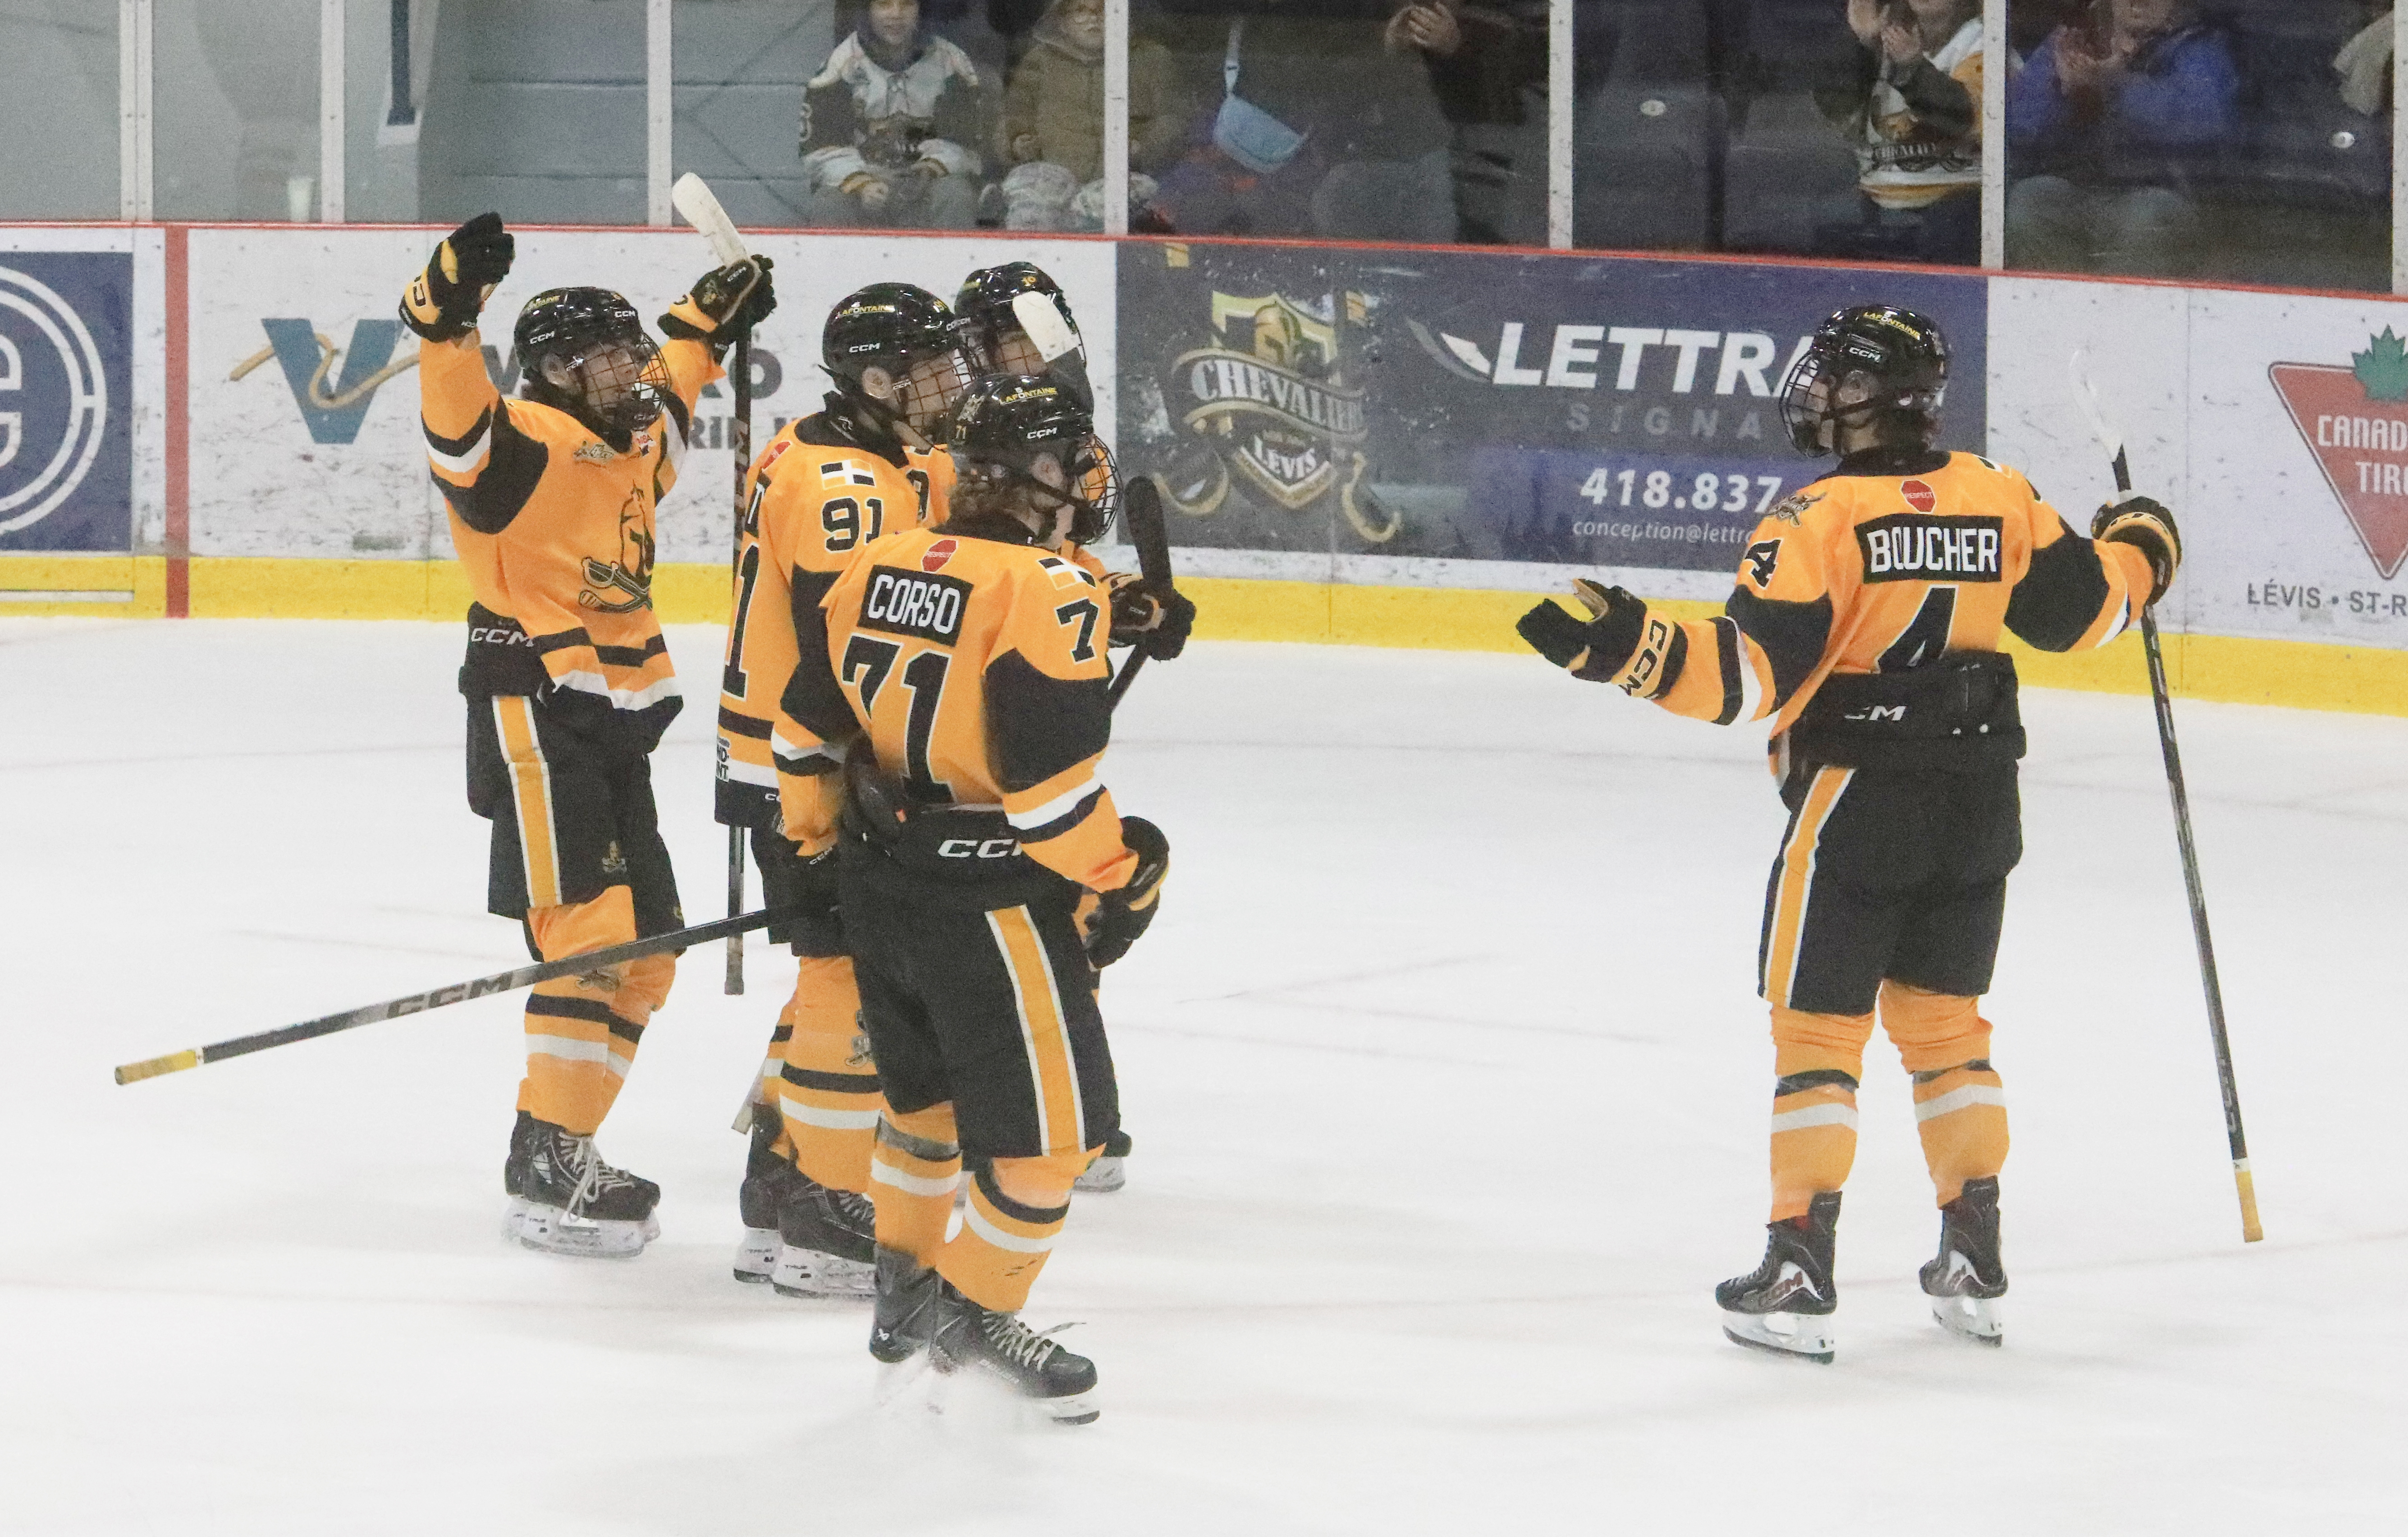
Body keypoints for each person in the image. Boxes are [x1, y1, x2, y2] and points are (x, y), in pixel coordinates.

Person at [1514, 305, 2181, 1361]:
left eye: (1832, 379)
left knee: (1819, 1033)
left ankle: (1797, 1265)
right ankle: (1974, 1253)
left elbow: (1748, 679)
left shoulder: (1815, 518)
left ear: (1869, 394)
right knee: (1949, 1028)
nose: (1816, 396)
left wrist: (1627, 649)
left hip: (1860, 802)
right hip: (1978, 804)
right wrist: (2144, 539)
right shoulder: (1997, 494)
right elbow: (2087, 614)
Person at [773, 373, 1170, 1422]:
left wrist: (811, 850)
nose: (1083, 488)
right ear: (1029, 484)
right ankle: (969, 1305)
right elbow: (1049, 801)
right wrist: (1123, 874)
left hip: (877, 880)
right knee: (1055, 1144)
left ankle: (903, 1296)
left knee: (925, 1111)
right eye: (1066, 471)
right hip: (989, 903)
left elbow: (804, 731)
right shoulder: (1050, 590)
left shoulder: (877, 559)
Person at [400, 214, 775, 1257]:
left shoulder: (639, 442)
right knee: (596, 937)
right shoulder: (520, 444)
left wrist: (708, 317)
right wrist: (450, 307)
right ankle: (545, 1155)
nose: (632, 373)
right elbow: (454, 415)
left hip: (611, 729)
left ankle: (562, 1145)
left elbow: (686, 376)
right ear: (557, 373)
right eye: (608, 359)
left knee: (646, 954)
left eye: (630, 355)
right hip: (531, 710)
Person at [722, 284, 976, 1294]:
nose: (947, 382)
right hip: (809, 766)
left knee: (824, 973)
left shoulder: (827, 449)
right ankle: (827, 1210)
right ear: (874, 383)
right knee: (848, 982)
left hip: (778, 751)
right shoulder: (848, 487)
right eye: (927, 367)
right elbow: (849, 651)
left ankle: (780, 1182)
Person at [951, 263, 1197, 1195]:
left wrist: (1121, 603)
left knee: (1055, 904)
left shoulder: (1045, 435)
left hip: (1010, 695)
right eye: (1005, 339)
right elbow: (979, 571)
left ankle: (1057, 1097)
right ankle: (811, 1149)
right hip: (943, 721)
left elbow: (1048, 565)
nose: (1028, 353)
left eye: (1038, 331)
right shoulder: (966, 443)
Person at [1146, 0, 1459, 242]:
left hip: (1417, 147)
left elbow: (1479, 70)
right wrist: (1381, 46)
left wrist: (1451, 43)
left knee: (1436, 269)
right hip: (1318, 164)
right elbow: (1310, 69)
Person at [2005, 0, 2243, 276]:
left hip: (2163, 197)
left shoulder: (2198, 47)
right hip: (2080, 194)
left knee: (2147, 216)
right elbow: (2017, 128)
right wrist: (2061, 88)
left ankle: (2124, 318)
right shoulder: (2074, 41)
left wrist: (2121, 86)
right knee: (2031, 200)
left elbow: (2206, 125)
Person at [1813, 0, 1984, 266]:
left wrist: (1913, 69)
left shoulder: (1984, 43)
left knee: (1949, 226)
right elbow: (1836, 106)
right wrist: (1859, 43)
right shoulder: (1882, 39)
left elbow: (1962, 117)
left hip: (1955, 205)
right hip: (1877, 202)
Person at [799, 0, 989, 231]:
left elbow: (966, 141)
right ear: (867, 10)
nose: (896, 14)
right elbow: (821, 147)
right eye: (884, 4)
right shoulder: (840, 66)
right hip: (866, 186)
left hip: (929, 185)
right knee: (829, 203)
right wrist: (862, 183)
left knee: (956, 195)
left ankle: (951, 267)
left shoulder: (950, 62)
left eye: (907, 4)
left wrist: (930, 169)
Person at [995, 0, 1182, 231]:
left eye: (1102, 9)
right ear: (1062, 22)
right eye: (1080, 11)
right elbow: (1013, 115)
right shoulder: (1039, 60)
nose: (1093, 18)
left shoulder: (1152, 59)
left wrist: (1145, 147)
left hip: (1125, 177)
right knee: (1031, 210)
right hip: (1052, 175)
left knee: (1119, 212)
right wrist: (1017, 142)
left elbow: (1174, 119)